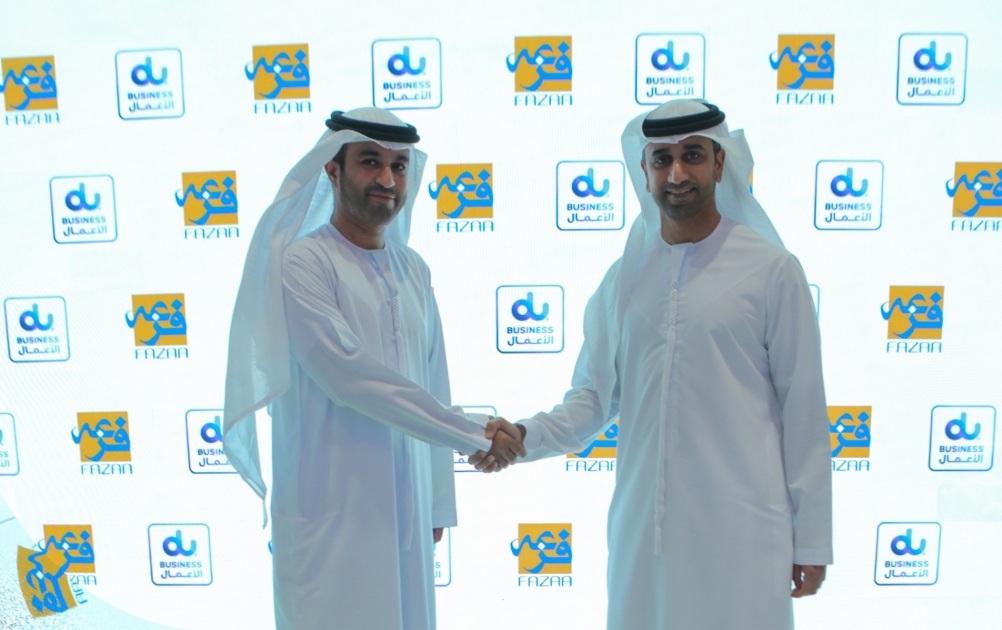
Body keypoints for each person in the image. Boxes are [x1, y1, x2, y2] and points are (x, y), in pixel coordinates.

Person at [472, 99, 832, 628]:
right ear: (644, 171)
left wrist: (813, 538)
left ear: (720, 163)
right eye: (662, 159)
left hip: (744, 535)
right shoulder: (625, 278)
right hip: (646, 536)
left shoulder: (771, 270)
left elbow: (804, 410)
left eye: (693, 155)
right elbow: (593, 398)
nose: (677, 173)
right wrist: (526, 435)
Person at [221, 107, 524, 630]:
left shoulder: (412, 269)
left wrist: (436, 503)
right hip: (331, 510)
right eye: (369, 162)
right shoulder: (304, 262)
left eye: (398, 166)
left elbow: (433, 381)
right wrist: (474, 434)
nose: (386, 178)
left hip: (406, 510)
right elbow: (351, 378)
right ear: (332, 171)